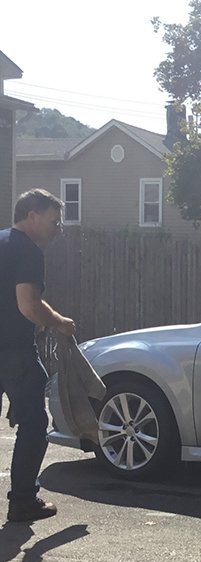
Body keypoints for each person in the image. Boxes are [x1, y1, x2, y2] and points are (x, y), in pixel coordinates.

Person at [0, 188, 76, 522]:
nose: (57, 229)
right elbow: (28, 304)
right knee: (33, 423)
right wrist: (58, 322)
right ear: (31, 216)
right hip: (13, 350)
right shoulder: (28, 251)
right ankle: (23, 502)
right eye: (53, 221)